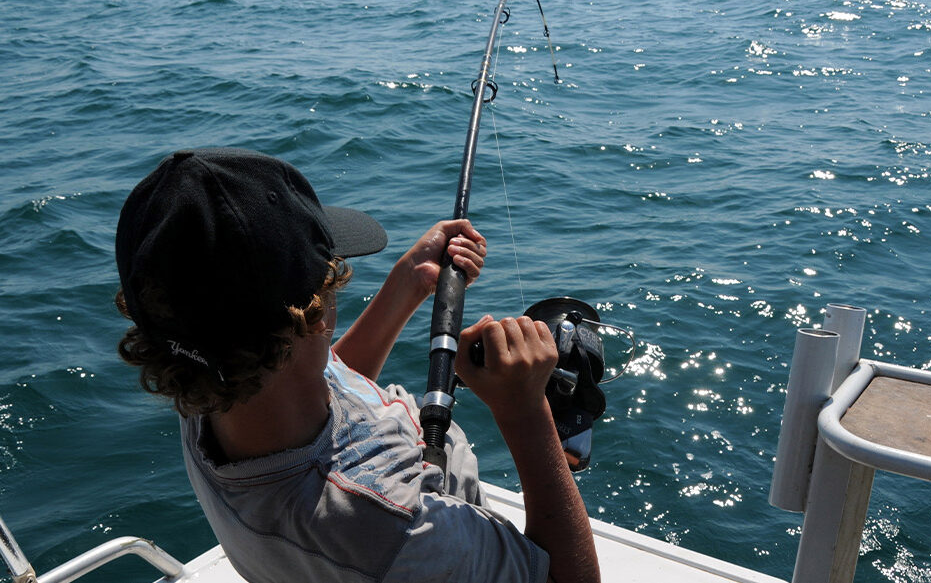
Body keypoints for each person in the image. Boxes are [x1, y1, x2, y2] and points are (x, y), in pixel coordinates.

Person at [114, 147, 600, 583]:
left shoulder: (205, 379)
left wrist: (410, 281)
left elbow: (318, 378)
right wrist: (524, 412)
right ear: (313, 315)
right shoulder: (398, 530)